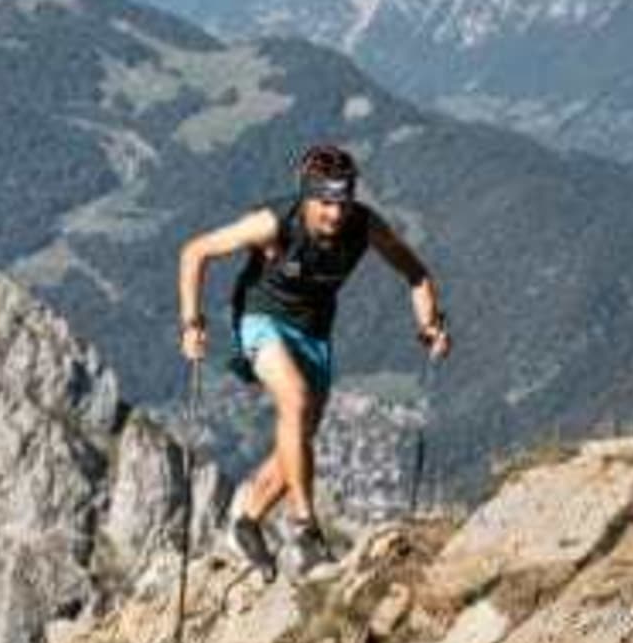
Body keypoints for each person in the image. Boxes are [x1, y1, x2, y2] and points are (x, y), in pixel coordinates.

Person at [176, 143, 450, 580]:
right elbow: (195, 252)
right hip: (260, 318)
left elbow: (416, 274)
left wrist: (429, 323)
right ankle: (305, 529)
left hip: (315, 335)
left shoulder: (364, 225)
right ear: (306, 196)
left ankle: (245, 522)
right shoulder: (274, 222)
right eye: (325, 203)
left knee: (296, 442)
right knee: (295, 399)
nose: (335, 214)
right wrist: (191, 322)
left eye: (342, 202)